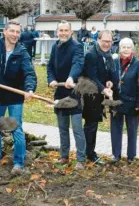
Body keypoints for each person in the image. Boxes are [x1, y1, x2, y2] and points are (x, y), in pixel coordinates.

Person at [0, 21, 37, 174]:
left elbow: (29, 73)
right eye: (12, 31)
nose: (15, 35)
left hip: (15, 98)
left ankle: (18, 163)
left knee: (16, 129)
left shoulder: (22, 52)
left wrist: (29, 88)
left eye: (18, 32)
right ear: (4, 32)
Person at [47, 20, 86, 170]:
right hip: (60, 93)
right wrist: (51, 80)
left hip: (74, 94)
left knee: (77, 128)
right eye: (60, 30)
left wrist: (71, 77)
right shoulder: (55, 47)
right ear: (57, 32)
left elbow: (78, 63)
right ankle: (64, 157)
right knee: (62, 128)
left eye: (66, 30)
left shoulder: (77, 47)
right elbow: (50, 66)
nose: (63, 33)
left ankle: (81, 160)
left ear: (71, 32)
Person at [82, 30, 117, 165]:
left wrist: (109, 82)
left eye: (109, 41)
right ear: (98, 40)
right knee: (91, 125)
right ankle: (89, 153)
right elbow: (92, 76)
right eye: (104, 41)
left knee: (93, 124)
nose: (107, 44)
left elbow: (106, 73)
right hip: (90, 95)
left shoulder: (107, 55)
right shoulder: (91, 54)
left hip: (100, 94)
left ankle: (88, 151)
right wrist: (103, 89)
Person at [109, 38, 139, 164]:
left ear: (132, 49)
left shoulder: (138, 63)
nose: (125, 49)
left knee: (132, 130)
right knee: (115, 129)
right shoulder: (113, 61)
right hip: (116, 101)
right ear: (119, 48)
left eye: (128, 47)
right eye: (123, 47)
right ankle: (116, 155)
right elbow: (109, 79)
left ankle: (131, 156)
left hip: (132, 102)